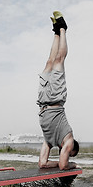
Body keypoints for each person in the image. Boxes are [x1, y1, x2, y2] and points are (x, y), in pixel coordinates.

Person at [37, 11, 79, 170]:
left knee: (49, 62)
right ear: (72, 148)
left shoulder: (49, 141)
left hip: (42, 101)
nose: (67, 154)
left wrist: (58, 163)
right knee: (59, 60)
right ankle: (63, 29)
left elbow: (42, 164)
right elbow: (63, 165)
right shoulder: (69, 139)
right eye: (70, 154)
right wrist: (71, 164)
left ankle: (56, 32)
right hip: (55, 98)